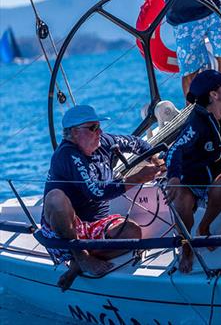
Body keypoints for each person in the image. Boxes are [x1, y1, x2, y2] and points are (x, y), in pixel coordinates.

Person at [40, 105, 163, 291]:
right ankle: (80, 256)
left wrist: (156, 158)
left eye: (99, 126)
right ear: (74, 132)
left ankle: (78, 263)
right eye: (92, 128)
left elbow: (138, 143)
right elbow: (95, 192)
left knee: (133, 233)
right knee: (55, 198)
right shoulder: (67, 154)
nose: (100, 132)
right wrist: (137, 178)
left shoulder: (104, 141)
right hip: (65, 233)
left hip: (95, 225)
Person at [165, 70, 221, 273]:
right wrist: (174, 178)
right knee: (182, 201)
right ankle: (186, 247)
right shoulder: (196, 124)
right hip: (192, 179)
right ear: (214, 95)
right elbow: (175, 149)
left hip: (216, 176)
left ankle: (203, 227)